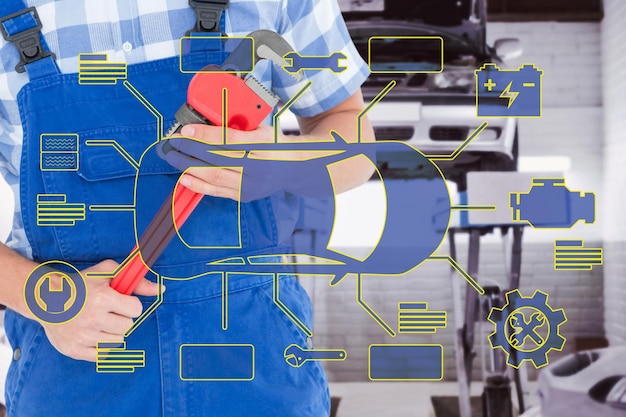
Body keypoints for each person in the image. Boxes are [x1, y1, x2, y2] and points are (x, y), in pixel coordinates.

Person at [0, 0, 374, 416]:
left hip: (254, 361)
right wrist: (41, 297)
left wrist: (281, 160)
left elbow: (352, 134)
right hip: (77, 372)